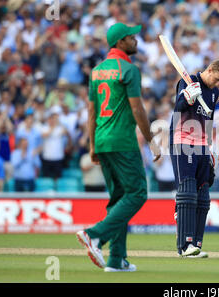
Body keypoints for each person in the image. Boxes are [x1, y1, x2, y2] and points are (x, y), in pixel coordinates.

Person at [76, 23, 161, 273]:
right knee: (137, 193)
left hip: (102, 140)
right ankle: (95, 235)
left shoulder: (96, 71)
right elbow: (137, 109)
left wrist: (93, 145)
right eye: (131, 37)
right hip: (123, 141)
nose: (135, 40)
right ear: (120, 42)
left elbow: (91, 112)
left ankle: (116, 259)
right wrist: (152, 140)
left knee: (119, 199)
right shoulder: (129, 69)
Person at [170, 59, 219, 258]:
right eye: (217, 79)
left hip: (202, 144)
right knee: (187, 193)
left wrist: (211, 147)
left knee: (203, 195)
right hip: (182, 141)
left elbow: (209, 119)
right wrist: (186, 98)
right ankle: (185, 245)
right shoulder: (188, 81)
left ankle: (195, 243)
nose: (217, 83)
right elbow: (177, 110)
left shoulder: (214, 92)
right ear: (210, 70)